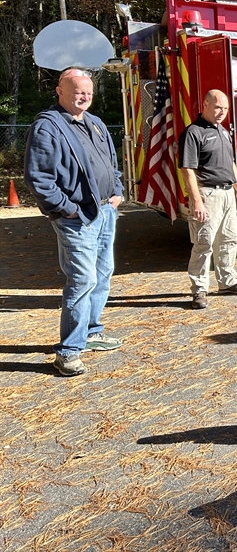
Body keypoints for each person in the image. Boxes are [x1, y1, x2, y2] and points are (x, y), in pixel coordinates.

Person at [24, 69, 125, 377]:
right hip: (78, 218)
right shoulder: (48, 127)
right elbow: (38, 178)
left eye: (88, 92)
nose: (84, 96)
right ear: (60, 92)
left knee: (102, 274)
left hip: (106, 211)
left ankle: (92, 332)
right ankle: (68, 352)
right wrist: (67, 209)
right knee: (82, 281)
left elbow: (111, 163)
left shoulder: (94, 123)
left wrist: (117, 191)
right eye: (78, 91)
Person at [178, 89, 237, 309]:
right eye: (217, 107)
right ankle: (199, 290)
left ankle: (227, 281)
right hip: (207, 194)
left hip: (227, 194)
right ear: (205, 104)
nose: (222, 112)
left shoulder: (223, 132)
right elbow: (188, 170)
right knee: (203, 244)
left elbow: (231, 163)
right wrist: (197, 201)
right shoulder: (193, 132)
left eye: (225, 108)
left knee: (229, 240)